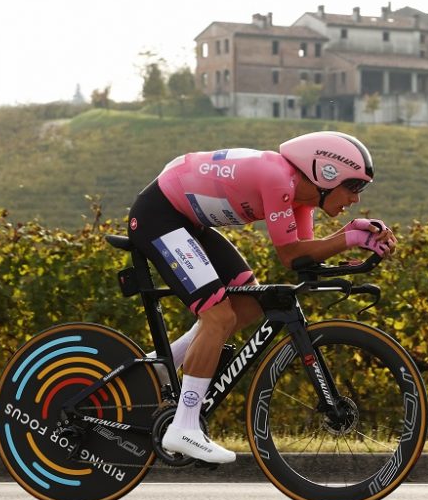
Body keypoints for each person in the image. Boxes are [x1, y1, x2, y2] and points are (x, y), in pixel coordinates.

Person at [127, 131, 397, 464]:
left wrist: (354, 248)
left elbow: (302, 260)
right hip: (159, 216)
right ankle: (183, 427)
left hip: (184, 220)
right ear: (326, 173)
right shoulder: (277, 178)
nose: (354, 199)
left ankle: (168, 364)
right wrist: (350, 236)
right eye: (353, 187)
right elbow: (290, 254)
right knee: (219, 316)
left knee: (250, 301)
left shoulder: (302, 199)